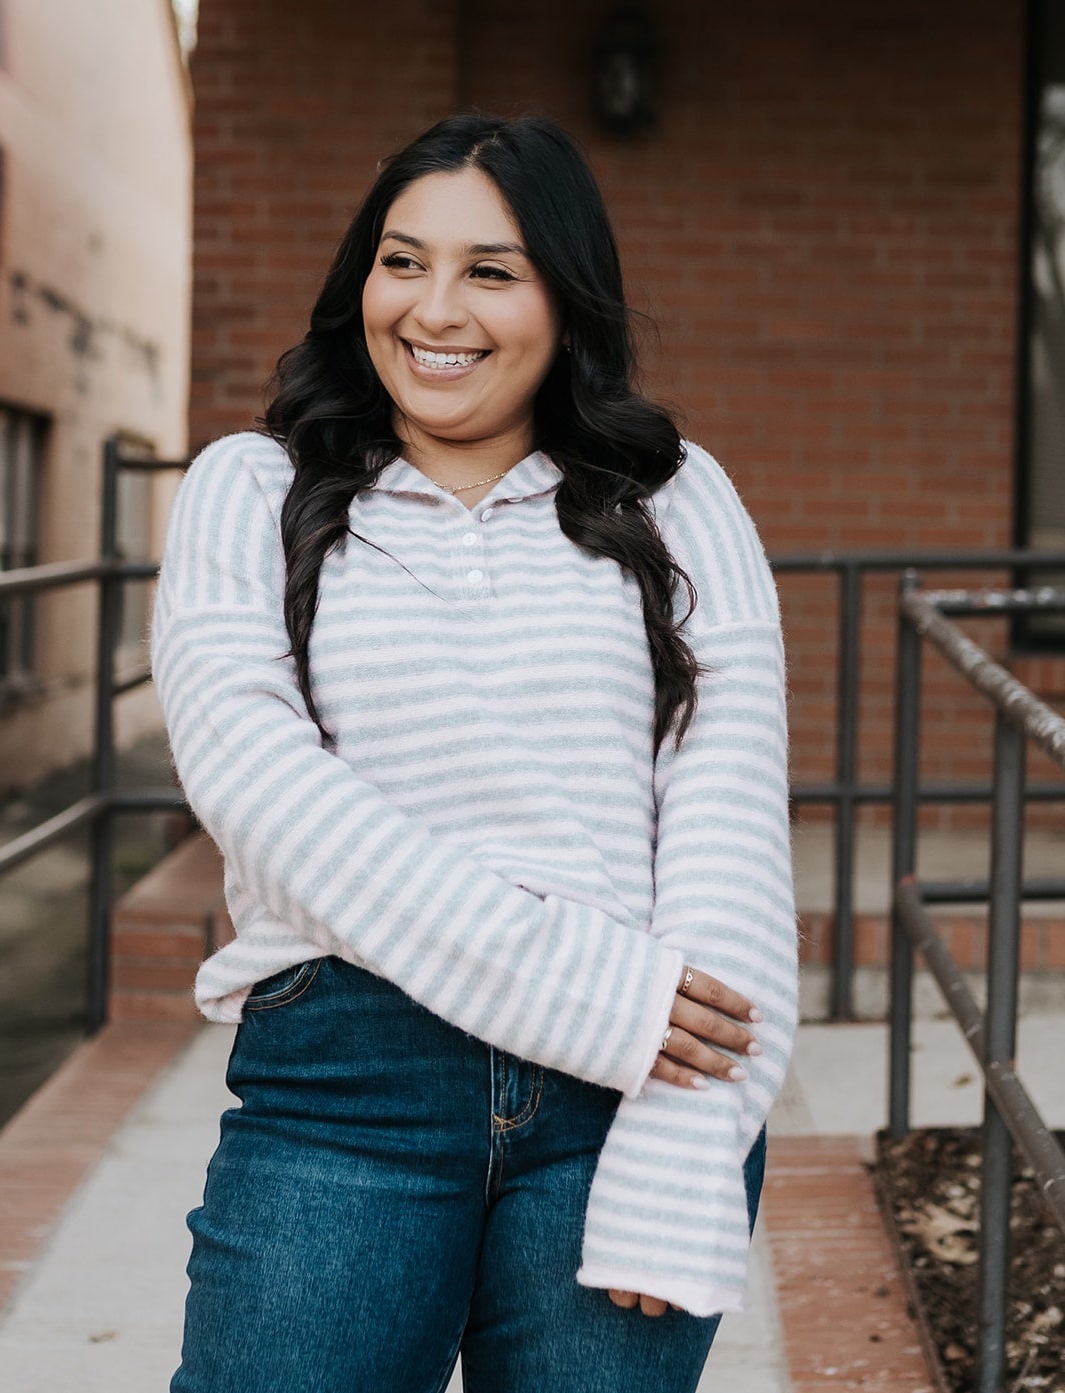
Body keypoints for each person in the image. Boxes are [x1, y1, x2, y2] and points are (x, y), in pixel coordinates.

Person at [151, 112, 797, 1393]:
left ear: (565, 302)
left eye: (490, 271)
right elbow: (260, 788)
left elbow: (728, 817)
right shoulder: (250, 489)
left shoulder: (673, 498)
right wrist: (580, 988)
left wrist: (689, 1141)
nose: (434, 308)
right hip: (346, 1094)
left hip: (620, 1111)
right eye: (403, 261)